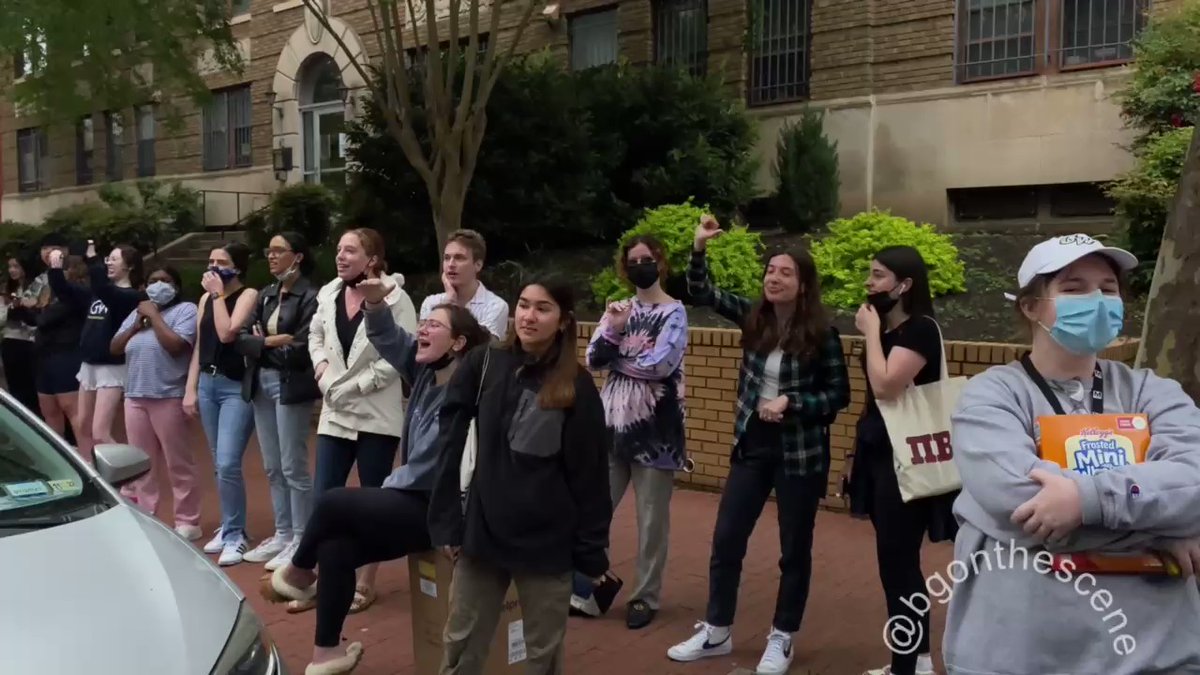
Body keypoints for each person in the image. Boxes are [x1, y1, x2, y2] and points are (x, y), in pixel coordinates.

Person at [943, 234, 1200, 674]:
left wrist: (1082, 502)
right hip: (1018, 651)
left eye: (1107, 288)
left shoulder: (1152, 391)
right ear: (1031, 306)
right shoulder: (990, 396)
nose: (1096, 300)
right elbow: (1015, 500)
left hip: (1158, 653)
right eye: (1074, 287)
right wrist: (1161, 529)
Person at [261, 298, 491, 675]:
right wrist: (372, 301)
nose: (423, 329)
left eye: (434, 325)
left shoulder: (463, 393)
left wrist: (389, 488)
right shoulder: (425, 375)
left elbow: (433, 466)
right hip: (412, 500)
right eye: (423, 322)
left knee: (334, 503)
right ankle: (326, 655)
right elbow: (388, 336)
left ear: (458, 343)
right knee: (337, 548)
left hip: (439, 510)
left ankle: (300, 572)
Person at [666, 215, 850, 675]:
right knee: (727, 538)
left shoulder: (822, 334)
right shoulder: (754, 317)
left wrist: (794, 401)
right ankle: (717, 630)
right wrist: (699, 248)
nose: (774, 277)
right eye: (771, 270)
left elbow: (838, 395)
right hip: (752, 445)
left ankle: (782, 638)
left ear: (804, 284)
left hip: (800, 452)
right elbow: (702, 292)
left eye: (786, 272)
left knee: (794, 550)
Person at [428, 278, 611, 675]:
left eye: (543, 308)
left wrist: (591, 549)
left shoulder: (576, 385)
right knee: (460, 645)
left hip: (547, 544)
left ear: (563, 321)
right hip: (483, 534)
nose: (529, 316)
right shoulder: (485, 363)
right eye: (524, 305)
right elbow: (449, 445)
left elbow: (591, 476)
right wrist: (446, 522)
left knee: (542, 657)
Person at [847, 245, 955, 675]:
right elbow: (875, 406)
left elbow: (887, 387)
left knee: (899, 563)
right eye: (870, 275)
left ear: (904, 285)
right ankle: (918, 659)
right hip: (878, 454)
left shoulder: (920, 330)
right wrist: (853, 455)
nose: (870, 284)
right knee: (893, 562)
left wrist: (870, 333)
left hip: (906, 458)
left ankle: (907, 666)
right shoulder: (892, 331)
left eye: (878, 276)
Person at [570, 235, 688, 629]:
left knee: (651, 520)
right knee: (593, 514)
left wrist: (616, 356)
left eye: (647, 258)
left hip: (657, 432)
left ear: (661, 261)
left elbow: (660, 366)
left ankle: (645, 596)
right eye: (633, 260)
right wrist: (616, 330)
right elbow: (591, 358)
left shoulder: (675, 313)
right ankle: (594, 587)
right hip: (610, 427)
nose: (640, 265)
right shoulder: (618, 310)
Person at [307, 227, 417, 613]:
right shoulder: (328, 292)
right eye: (338, 249)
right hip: (335, 411)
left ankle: (366, 581)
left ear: (372, 259)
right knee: (325, 497)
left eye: (350, 250)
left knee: (373, 500)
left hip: (376, 414)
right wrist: (322, 370)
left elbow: (399, 354)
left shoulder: (396, 297)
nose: (340, 256)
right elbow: (315, 335)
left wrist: (353, 387)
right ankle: (321, 577)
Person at [235, 232, 321, 571]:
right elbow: (240, 338)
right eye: (268, 251)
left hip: (290, 386)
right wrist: (272, 342)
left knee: (292, 466)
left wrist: (264, 343)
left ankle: (302, 536)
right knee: (271, 466)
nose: (270, 257)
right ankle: (283, 532)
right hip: (261, 383)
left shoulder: (310, 296)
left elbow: (302, 348)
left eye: (278, 251)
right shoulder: (267, 294)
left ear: (297, 256)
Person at [110, 265, 203, 539]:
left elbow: (176, 346)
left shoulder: (186, 310)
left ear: (176, 286)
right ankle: (147, 513)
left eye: (165, 280)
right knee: (141, 463)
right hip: (135, 396)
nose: (159, 284)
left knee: (178, 462)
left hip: (168, 396)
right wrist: (137, 325)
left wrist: (154, 316)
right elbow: (115, 347)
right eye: (153, 280)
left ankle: (188, 519)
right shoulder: (137, 313)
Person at [183, 242, 259, 566]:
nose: (213, 266)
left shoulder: (247, 295)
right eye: (210, 260)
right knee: (218, 463)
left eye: (221, 261)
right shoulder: (203, 299)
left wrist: (216, 296)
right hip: (208, 384)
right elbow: (202, 345)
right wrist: (191, 387)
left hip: (234, 386)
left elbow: (227, 332)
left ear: (237, 267)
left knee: (228, 462)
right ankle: (229, 525)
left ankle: (236, 534)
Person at [46, 240, 144, 460]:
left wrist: (92, 258)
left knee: (100, 432)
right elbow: (65, 291)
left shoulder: (130, 297)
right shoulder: (97, 294)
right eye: (107, 259)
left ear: (130, 266)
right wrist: (54, 269)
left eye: (114, 259)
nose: (109, 263)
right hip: (89, 364)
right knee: (82, 426)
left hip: (111, 367)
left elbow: (105, 289)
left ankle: (129, 479)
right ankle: (91, 472)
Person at [37, 245, 90, 456]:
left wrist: (55, 267)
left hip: (67, 356)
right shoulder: (55, 297)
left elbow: (42, 319)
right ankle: (57, 458)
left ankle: (88, 460)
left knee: (74, 411)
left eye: (64, 269)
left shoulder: (80, 295)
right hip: (44, 357)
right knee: (49, 410)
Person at [418, 229, 509, 341]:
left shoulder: (495, 306)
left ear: (478, 265)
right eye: (447, 258)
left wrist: (452, 304)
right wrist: (449, 299)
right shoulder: (430, 302)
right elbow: (422, 345)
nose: (451, 264)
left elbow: (480, 349)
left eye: (459, 258)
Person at [1, 254, 45, 415]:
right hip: (10, 341)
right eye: (10, 266)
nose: (12, 270)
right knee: (15, 386)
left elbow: (40, 315)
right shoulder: (7, 289)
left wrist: (25, 310)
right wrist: (10, 311)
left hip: (30, 342)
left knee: (31, 387)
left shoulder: (36, 287)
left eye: (16, 266)